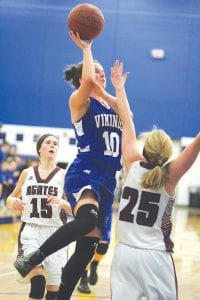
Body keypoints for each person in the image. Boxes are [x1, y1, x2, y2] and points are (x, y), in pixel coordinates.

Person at [14, 31, 124, 300]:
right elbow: (87, 81)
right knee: (86, 219)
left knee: (87, 249)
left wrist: (116, 89)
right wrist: (87, 50)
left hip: (108, 178)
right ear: (82, 80)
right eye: (95, 72)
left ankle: (62, 295)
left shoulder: (113, 107)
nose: (99, 75)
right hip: (85, 170)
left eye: (100, 71)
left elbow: (129, 116)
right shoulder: (79, 101)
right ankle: (34, 258)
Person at [110, 61, 200, 300]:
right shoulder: (170, 175)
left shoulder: (131, 163)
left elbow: (126, 122)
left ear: (145, 148)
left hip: (124, 254)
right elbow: (195, 145)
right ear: (168, 153)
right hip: (155, 257)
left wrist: (119, 87)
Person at [7, 134, 71, 300]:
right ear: (40, 148)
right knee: (38, 285)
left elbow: (77, 209)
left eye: (55, 144)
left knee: (53, 293)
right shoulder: (26, 173)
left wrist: (63, 203)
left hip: (57, 234)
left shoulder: (64, 176)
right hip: (31, 232)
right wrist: (12, 200)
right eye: (48, 142)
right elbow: (10, 198)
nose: (52, 145)